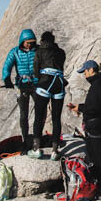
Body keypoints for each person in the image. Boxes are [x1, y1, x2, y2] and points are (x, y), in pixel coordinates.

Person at [70, 60, 101, 200]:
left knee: (99, 155)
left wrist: (80, 108)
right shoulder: (97, 84)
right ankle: (99, 182)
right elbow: (92, 105)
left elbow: (95, 107)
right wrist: (80, 107)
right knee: (92, 154)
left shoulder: (97, 85)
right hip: (92, 123)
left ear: (91, 70)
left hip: (95, 124)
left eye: (85, 71)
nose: (84, 74)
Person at [29, 30, 66, 160]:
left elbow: (36, 69)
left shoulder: (39, 52)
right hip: (59, 83)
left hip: (45, 83)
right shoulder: (61, 52)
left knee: (39, 116)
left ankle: (36, 148)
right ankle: (55, 150)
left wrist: (39, 81)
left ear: (42, 41)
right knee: (56, 118)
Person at [1, 29, 37, 150]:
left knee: (40, 112)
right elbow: (7, 65)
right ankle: (25, 139)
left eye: (32, 42)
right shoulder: (15, 52)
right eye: (28, 42)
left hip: (36, 84)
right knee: (23, 114)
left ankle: (37, 137)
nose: (30, 44)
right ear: (22, 41)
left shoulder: (38, 50)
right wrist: (6, 78)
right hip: (22, 85)